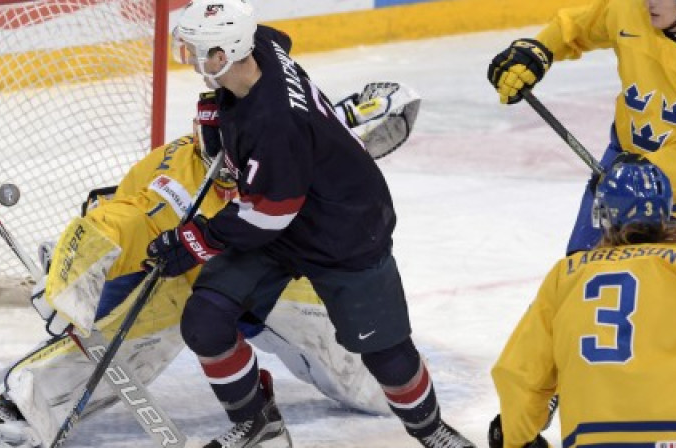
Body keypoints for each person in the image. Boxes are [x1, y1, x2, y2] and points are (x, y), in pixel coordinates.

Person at [0, 81, 421, 448]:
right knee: (132, 341)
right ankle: (14, 399)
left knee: (375, 391)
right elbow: (122, 222)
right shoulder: (177, 177)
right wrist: (71, 277)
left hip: (282, 275)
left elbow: (347, 134)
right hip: (182, 281)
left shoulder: (287, 141)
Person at [148, 1, 475, 447]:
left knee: (386, 355)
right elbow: (277, 40)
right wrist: (216, 107)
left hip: (344, 229)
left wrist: (195, 240)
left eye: (196, 50)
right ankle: (257, 421)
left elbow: (267, 215)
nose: (188, 58)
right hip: (282, 214)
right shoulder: (257, 46)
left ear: (224, 55)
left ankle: (431, 430)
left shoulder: (275, 123)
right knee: (206, 323)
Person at [487, 160, 676, 448]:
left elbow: (519, 374)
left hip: (592, 439)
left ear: (602, 215)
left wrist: (518, 440)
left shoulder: (566, 275)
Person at [487, 0, 676, 254]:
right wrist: (539, 49)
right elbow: (575, 26)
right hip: (624, 160)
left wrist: (648, 174)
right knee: (582, 262)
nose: (649, 2)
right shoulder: (629, 9)